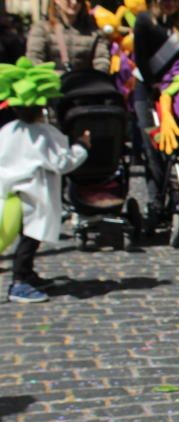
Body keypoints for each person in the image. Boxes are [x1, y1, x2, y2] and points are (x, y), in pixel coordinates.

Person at [0, 58, 89, 303]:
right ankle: (19, 281)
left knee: (23, 237)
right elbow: (62, 163)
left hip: (9, 194)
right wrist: (82, 146)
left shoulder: (7, 131)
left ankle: (27, 275)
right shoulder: (45, 134)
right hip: (34, 196)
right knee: (30, 239)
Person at [131, 0, 179, 231]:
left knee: (174, 147)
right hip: (147, 91)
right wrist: (154, 83)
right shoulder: (144, 21)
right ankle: (155, 202)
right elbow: (140, 56)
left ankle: (176, 198)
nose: (170, 3)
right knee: (153, 146)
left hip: (174, 92)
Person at [26, 0, 110, 73]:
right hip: (52, 87)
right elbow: (34, 60)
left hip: (84, 87)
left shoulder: (93, 31)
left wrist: (94, 80)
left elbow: (101, 60)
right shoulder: (41, 29)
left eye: (79, 0)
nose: (74, 2)